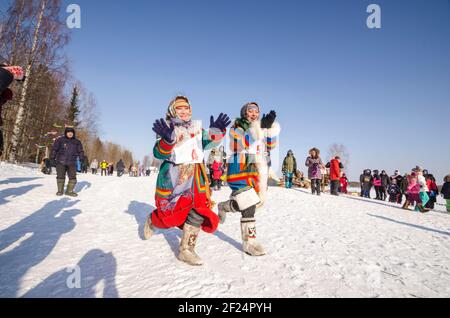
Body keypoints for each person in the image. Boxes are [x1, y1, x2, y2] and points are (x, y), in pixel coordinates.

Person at [143, 96, 231, 266]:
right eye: (179, 108)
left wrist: (217, 132)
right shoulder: (166, 128)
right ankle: (153, 219)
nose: (184, 112)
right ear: (172, 111)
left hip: (195, 179)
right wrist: (167, 140)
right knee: (171, 218)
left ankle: (186, 250)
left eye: (187, 108)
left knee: (198, 210)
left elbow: (209, 142)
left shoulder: (197, 129)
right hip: (173, 178)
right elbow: (158, 153)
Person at [218, 102, 280, 256]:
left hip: (257, 169)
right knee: (249, 205)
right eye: (250, 111)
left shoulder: (260, 127)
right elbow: (237, 145)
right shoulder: (237, 126)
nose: (253, 113)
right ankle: (249, 242)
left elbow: (269, 146)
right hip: (240, 167)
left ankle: (225, 206)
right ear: (244, 113)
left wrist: (268, 129)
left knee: (253, 203)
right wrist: (256, 131)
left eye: (256, 111)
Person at [50, 127, 85, 197]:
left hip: (72, 162)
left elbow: (80, 151)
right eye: (68, 132)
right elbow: (54, 149)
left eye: (71, 132)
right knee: (60, 176)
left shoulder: (77, 142)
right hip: (60, 161)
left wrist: (81, 159)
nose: (70, 133)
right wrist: (52, 158)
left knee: (73, 177)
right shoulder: (60, 140)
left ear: (73, 133)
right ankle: (60, 190)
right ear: (66, 133)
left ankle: (69, 191)